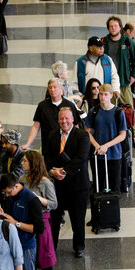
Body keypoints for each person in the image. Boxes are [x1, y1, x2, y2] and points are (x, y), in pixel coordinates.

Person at [43, 107, 91, 258]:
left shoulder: (82, 135)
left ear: (72, 119)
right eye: (61, 119)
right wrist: (51, 171)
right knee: (54, 219)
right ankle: (52, 247)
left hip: (78, 186)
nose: (64, 121)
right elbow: (47, 156)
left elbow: (81, 158)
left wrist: (63, 171)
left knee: (78, 219)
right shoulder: (51, 135)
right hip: (57, 186)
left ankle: (79, 247)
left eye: (67, 118)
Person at [20, 150, 57, 270]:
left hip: (42, 219)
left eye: (25, 161)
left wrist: (37, 198)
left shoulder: (45, 182)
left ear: (33, 163)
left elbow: (53, 204)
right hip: (26, 219)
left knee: (45, 253)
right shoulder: (22, 179)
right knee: (29, 255)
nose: (22, 163)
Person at [86, 83, 127, 209]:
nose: (102, 97)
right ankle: (97, 215)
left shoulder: (118, 112)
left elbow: (122, 135)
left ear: (111, 96)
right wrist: (97, 146)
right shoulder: (94, 111)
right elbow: (88, 132)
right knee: (98, 185)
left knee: (114, 186)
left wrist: (106, 146)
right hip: (98, 155)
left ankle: (112, 213)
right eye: (100, 94)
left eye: (105, 94)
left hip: (114, 155)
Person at [101, 16, 135, 144]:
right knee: (107, 108)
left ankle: (134, 133)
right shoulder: (103, 42)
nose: (113, 28)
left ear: (120, 27)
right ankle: (111, 133)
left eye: (116, 26)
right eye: (111, 26)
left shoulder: (128, 42)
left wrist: (133, 77)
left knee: (129, 108)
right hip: (107, 84)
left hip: (123, 83)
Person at [22, 80, 84, 150]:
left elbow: (76, 127)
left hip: (67, 146)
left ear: (61, 89)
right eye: (50, 88)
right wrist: (28, 144)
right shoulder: (42, 106)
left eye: (55, 87)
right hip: (48, 147)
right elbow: (36, 126)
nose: (52, 90)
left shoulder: (69, 105)